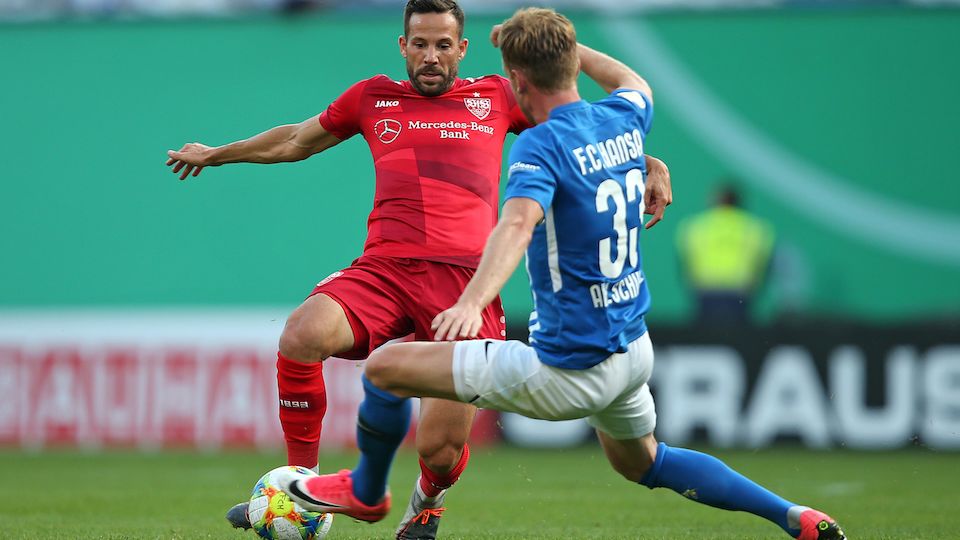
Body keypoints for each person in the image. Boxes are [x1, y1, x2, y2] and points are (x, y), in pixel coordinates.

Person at [278, 8, 846, 540]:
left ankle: (366, 491)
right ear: (571, 62)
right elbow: (631, 79)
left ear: (517, 79)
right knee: (647, 462)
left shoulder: (542, 147)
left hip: (567, 366)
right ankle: (794, 516)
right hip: (629, 350)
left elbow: (516, 226)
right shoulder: (624, 118)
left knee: (383, 370)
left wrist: (474, 300)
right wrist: (559, 44)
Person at [165, 1, 673, 538]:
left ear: (463, 49)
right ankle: (299, 489)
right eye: (421, 44)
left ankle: (426, 504)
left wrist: (649, 162)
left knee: (440, 448)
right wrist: (218, 153)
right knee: (301, 334)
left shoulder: (497, 98)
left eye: (443, 45)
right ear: (403, 46)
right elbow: (296, 140)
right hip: (385, 270)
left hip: (463, 286)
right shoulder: (372, 98)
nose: (431, 57)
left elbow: (585, 136)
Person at [676, 183, 774, 325]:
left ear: (715, 201)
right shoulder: (756, 228)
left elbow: (684, 263)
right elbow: (764, 266)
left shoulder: (695, 226)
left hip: (706, 293)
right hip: (740, 294)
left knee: (706, 340)